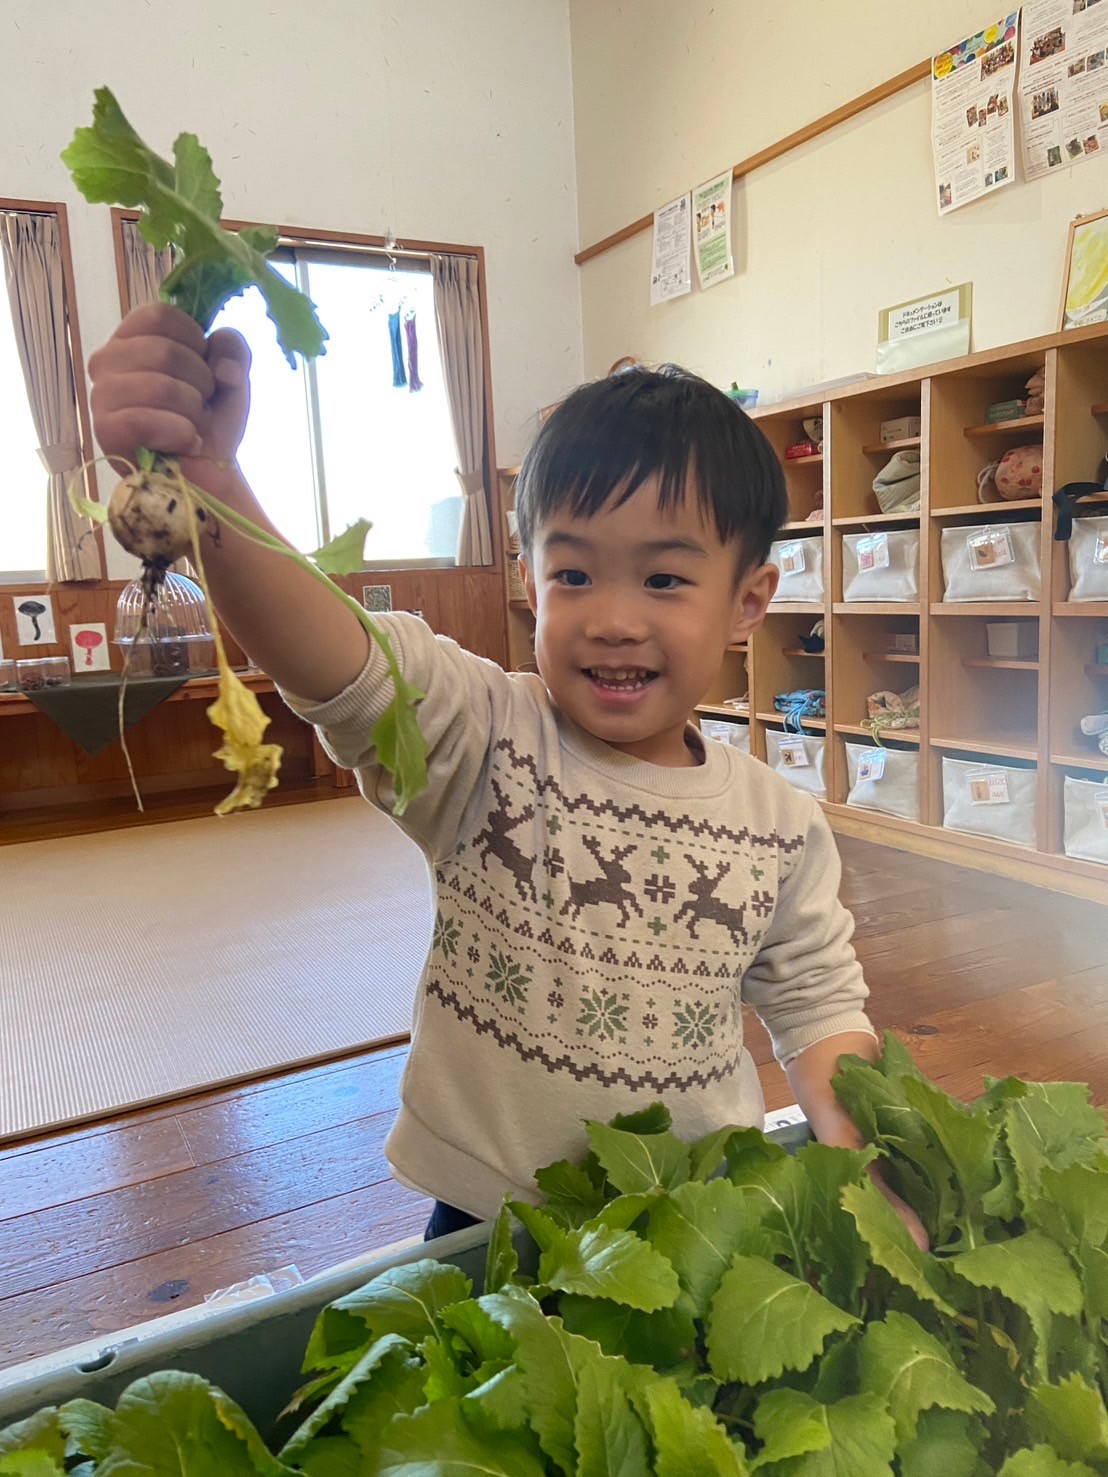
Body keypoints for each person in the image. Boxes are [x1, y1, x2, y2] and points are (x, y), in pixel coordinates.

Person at [89, 305, 927, 1249]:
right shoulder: (485, 739)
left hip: (689, 1220)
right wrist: (210, 484)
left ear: (747, 602)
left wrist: (869, 1165)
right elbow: (344, 666)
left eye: (662, 580)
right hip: (486, 1215)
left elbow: (818, 1005)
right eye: (574, 575)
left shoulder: (779, 823)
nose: (612, 618)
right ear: (530, 579)